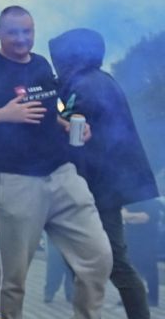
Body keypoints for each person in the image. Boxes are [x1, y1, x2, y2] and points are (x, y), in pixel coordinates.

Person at [0, 5, 112, 319]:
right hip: (13, 180)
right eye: (13, 32)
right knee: (14, 279)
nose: (22, 39)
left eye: (27, 32)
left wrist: (69, 123)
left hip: (62, 174)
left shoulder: (40, 64)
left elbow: (50, 112)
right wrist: (4, 115)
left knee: (99, 258)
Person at [50, 28, 159, 319]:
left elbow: (75, 136)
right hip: (108, 185)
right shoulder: (98, 80)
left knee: (114, 262)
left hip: (99, 188)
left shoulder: (83, 86)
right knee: (103, 261)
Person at [124, 198, 163, 307]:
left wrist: (130, 217)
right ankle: (135, 297)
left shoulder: (151, 201)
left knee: (150, 268)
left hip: (148, 239)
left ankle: (152, 298)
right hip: (132, 238)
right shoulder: (131, 200)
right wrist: (134, 217)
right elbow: (122, 214)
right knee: (133, 268)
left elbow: (144, 218)